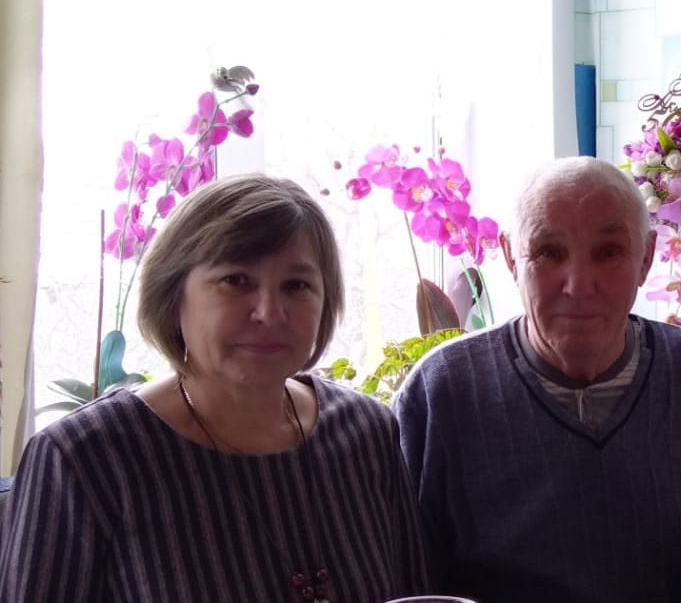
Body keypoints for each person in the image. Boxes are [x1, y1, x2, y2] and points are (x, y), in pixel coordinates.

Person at [0, 174, 429, 603]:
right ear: (172, 296)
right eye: (236, 280)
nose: (270, 313)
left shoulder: (367, 432)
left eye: (296, 286)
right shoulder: (83, 459)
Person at [393, 155, 681, 603]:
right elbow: (405, 578)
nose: (578, 284)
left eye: (608, 252)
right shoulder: (441, 393)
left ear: (646, 258)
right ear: (511, 257)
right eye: (549, 253)